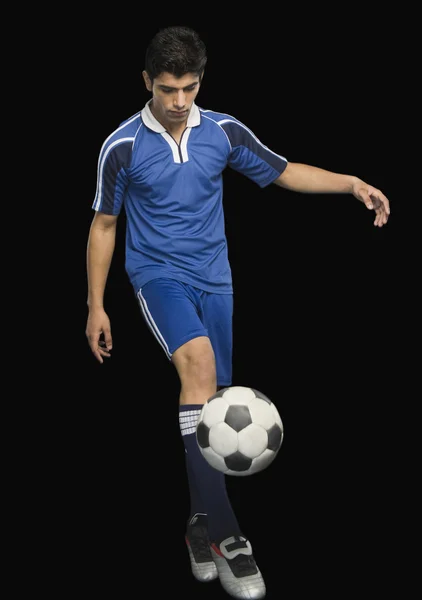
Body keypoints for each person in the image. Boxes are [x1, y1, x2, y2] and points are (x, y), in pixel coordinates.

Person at [85, 25, 390, 600]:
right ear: (146, 81)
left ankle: (198, 526)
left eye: (190, 89)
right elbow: (104, 225)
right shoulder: (121, 145)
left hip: (216, 280)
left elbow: (282, 171)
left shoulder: (222, 131)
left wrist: (351, 183)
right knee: (199, 372)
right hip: (157, 277)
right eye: (167, 89)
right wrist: (96, 305)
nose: (179, 102)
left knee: (214, 409)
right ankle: (231, 538)